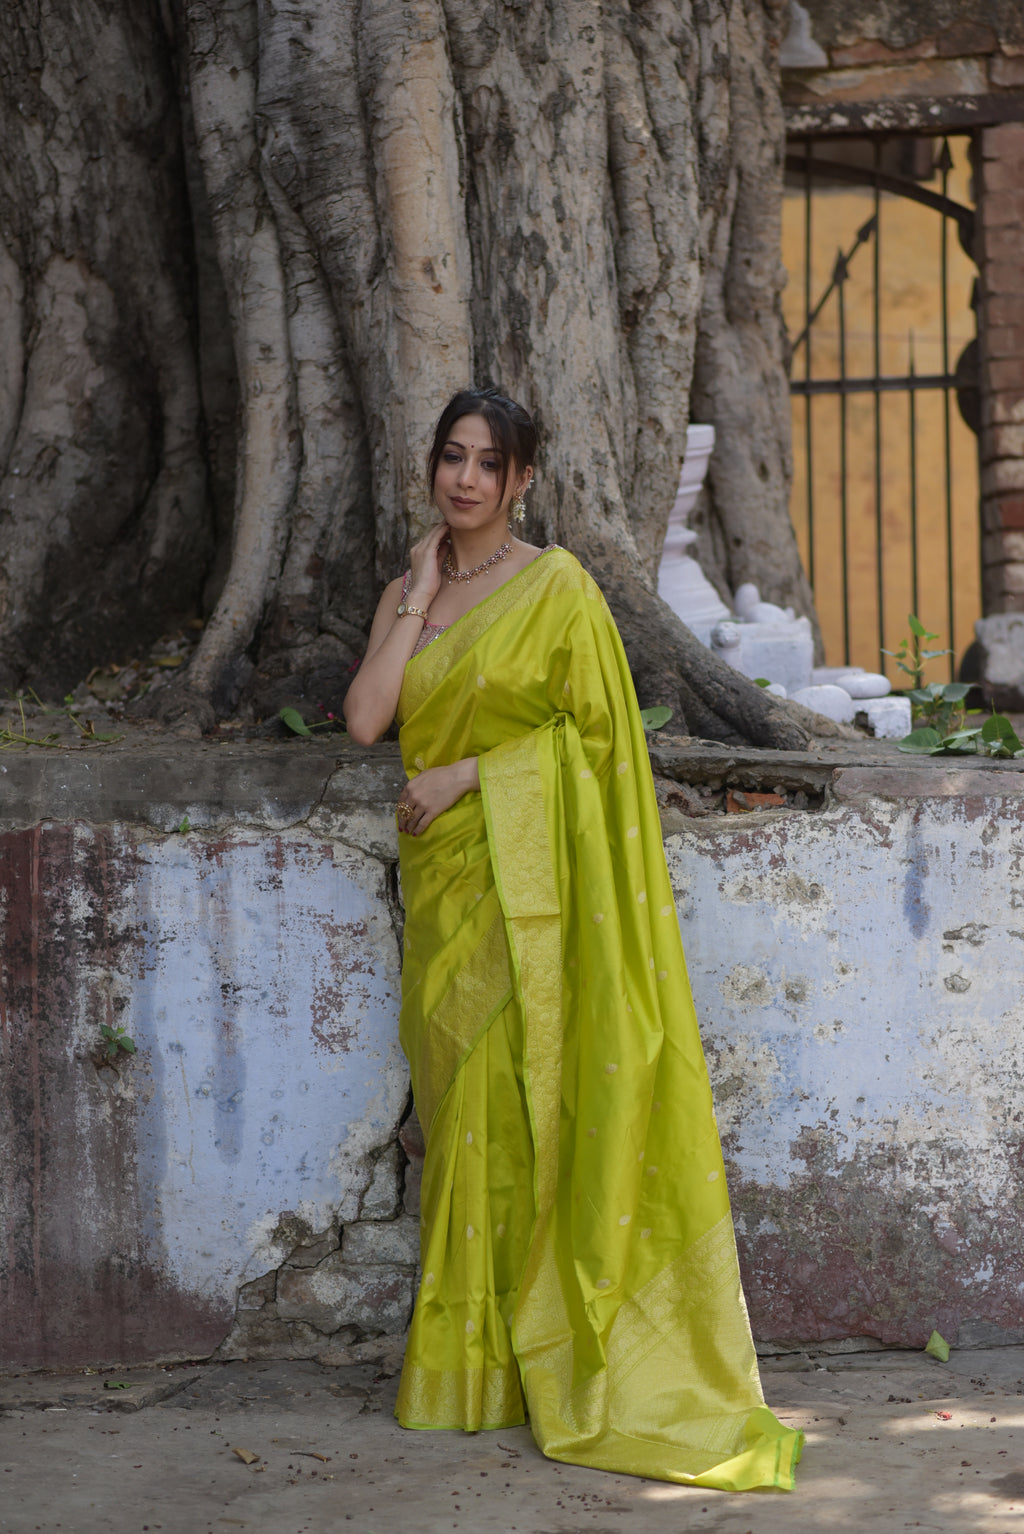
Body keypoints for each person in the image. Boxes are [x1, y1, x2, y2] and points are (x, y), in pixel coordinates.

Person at [343, 388, 803, 1491]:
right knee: (464, 1124)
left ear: (521, 482)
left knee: (541, 1111)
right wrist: (414, 596)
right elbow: (367, 719)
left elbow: (597, 749)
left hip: (528, 887)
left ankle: (558, 1354)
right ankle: (473, 1368)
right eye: (450, 456)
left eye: (487, 463)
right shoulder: (411, 592)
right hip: (450, 895)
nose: (463, 479)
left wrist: (470, 773)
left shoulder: (558, 591)